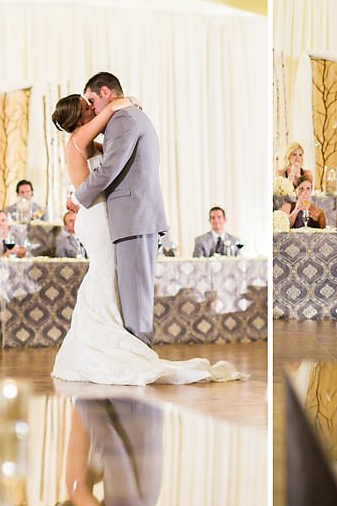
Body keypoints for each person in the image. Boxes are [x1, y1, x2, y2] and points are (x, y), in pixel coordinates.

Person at [50, 80, 243, 385]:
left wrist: (119, 105)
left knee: (109, 278)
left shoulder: (89, 141)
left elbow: (113, 154)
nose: (93, 109)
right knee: (106, 274)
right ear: (80, 116)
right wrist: (117, 103)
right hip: (97, 215)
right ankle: (113, 346)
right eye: (88, 106)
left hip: (107, 214)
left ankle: (112, 343)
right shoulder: (77, 139)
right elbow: (107, 158)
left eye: (93, 102)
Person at [50, 398, 160, 506]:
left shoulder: (79, 490)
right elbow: (111, 448)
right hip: (128, 402)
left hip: (125, 404)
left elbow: (109, 444)